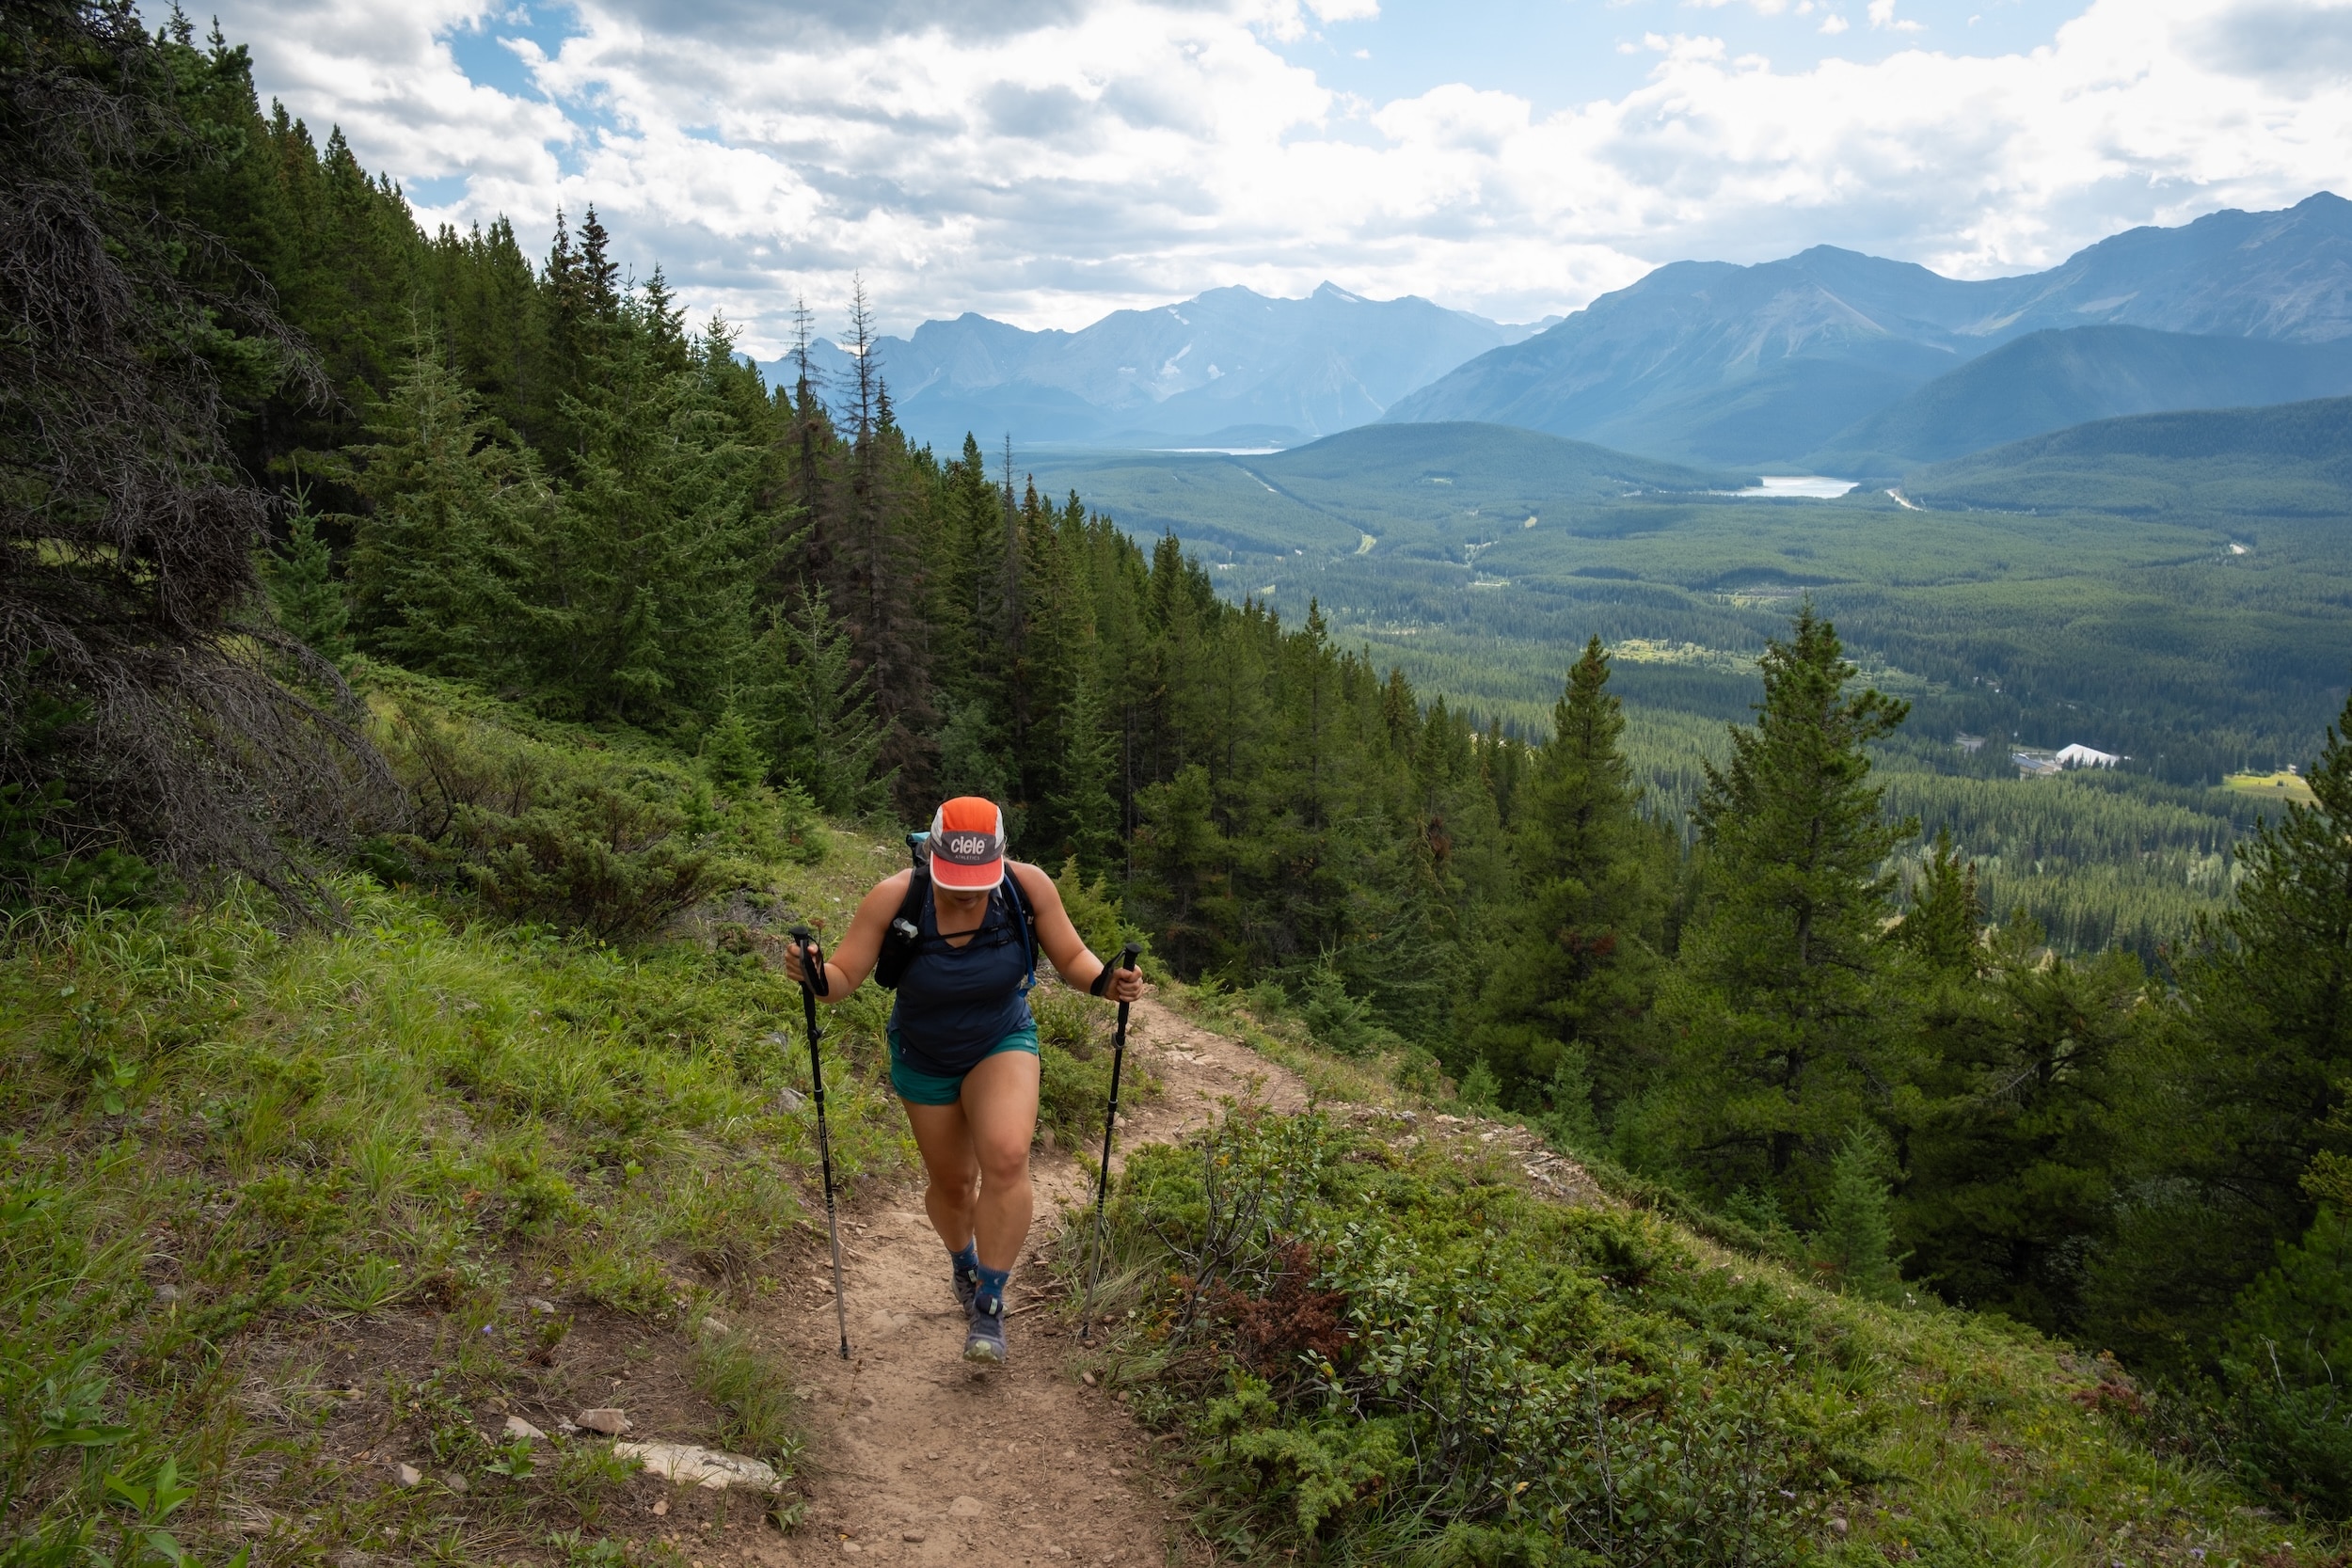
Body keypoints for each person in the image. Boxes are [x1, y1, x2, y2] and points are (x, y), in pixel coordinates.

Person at [783, 796, 1143, 1366]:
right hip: (923, 1053)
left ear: (1000, 860)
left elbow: (1072, 956)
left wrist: (1107, 983)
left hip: (1002, 1040)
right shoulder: (896, 897)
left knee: (1005, 1156)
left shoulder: (1027, 889)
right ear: (932, 855)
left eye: (979, 880)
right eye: (955, 880)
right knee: (953, 1184)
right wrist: (812, 974)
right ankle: (963, 1262)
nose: (968, 892)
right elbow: (843, 977)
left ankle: (990, 1304)